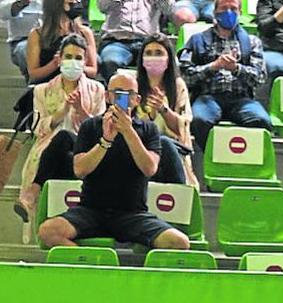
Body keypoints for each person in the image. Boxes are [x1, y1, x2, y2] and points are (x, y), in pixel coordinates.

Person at [37, 72, 190, 251]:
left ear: (136, 99)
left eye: (128, 94)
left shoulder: (149, 130)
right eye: (117, 93)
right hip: (90, 210)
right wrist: (105, 141)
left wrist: (128, 131)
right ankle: (92, 265)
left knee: (179, 242)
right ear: (107, 96)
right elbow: (80, 169)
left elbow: (149, 168)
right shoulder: (90, 127)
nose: (122, 99)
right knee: (48, 231)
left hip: (133, 213)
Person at [13, 34, 106, 221]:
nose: (73, 62)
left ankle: (32, 192)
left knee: (65, 137)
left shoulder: (97, 90)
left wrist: (81, 110)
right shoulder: (41, 91)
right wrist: (62, 112)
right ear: (59, 59)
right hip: (52, 154)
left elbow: (101, 132)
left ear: (85, 60)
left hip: (87, 151)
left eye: (78, 58)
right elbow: (38, 129)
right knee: (61, 144)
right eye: (68, 57)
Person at [182, 0, 270, 152]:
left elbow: (259, 78)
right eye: (223, 9)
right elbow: (185, 77)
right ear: (215, 12)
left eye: (233, 9)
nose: (228, 12)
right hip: (208, 97)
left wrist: (236, 69)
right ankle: (214, 156)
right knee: (199, 120)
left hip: (242, 99)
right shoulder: (197, 40)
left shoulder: (252, 42)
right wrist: (214, 66)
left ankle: (242, 161)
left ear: (240, 12)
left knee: (261, 121)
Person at [136, 36, 195, 186]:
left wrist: (163, 109)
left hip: (171, 149)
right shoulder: (132, 85)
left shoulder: (177, 86)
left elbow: (183, 127)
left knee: (164, 143)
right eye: (148, 53)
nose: (153, 57)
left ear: (169, 59)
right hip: (140, 149)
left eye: (158, 53)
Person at [25, 0, 98, 85]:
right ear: (58, 3)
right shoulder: (37, 35)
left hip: (78, 86)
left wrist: (75, 67)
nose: (77, 3)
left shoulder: (85, 33)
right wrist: (55, 64)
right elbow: (33, 73)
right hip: (47, 87)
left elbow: (93, 71)